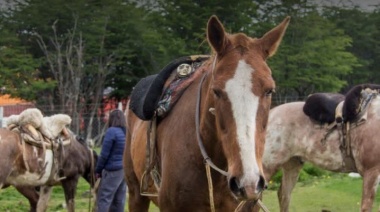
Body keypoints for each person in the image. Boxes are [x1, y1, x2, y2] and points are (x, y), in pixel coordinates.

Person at [95, 109, 127, 212]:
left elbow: (104, 155)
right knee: (119, 201)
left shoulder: (111, 131)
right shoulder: (126, 132)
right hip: (123, 170)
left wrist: (98, 170)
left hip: (112, 171)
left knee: (104, 199)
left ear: (112, 119)